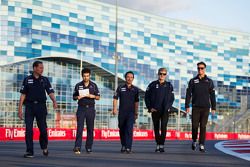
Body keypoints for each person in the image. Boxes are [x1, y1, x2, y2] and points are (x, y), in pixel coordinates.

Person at [18, 61, 57, 158]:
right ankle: (29, 151)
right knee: (29, 130)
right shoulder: (27, 80)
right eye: (40, 67)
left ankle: (44, 147)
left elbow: (50, 92)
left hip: (41, 107)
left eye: (42, 68)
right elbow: (23, 95)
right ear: (34, 68)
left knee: (43, 130)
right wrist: (19, 109)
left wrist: (54, 101)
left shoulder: (45, 80)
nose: (42, 69)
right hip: (29, 107)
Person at [185, 61, 216, 152]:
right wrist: (187, 105)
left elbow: (212, 95)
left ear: (205, 69)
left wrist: (213, 107)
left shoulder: (209, 81)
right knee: (194, 126)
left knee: (203, 126)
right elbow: (188, 94)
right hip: (195, 107)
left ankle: (202, 144)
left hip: (206, 107)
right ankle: (194, 140)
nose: (200, 70)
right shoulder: (193, 81)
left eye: (202, 68)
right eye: (198, 68)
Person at [145, 68, 174, 153]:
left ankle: (162, 145)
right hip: (155, 110)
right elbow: (147, 97)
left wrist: (168, 107)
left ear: (166, 75)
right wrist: (150, 108)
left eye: (164, 74)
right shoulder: (152, 85)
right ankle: (158, 144)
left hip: (165, 111)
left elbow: (172, 98)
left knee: (164, 127)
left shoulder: (169, 85)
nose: (162, 75)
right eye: (160, 73)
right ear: (158, 74)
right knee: (156, 128)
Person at [73, 68, 100, 154]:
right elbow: (74, 97)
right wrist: (77, 97)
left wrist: (92, 96)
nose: (86, 77)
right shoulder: (78, 85)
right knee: (79, 128)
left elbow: (98, 97)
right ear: (82, 76)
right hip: (81, 108)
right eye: (84, 76)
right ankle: (77, 146)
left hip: (91, 109)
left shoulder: (94, 85)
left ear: (89, 76)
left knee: (90, 129)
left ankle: (88, 147)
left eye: (87, 76)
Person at [112, 71, 139, 154]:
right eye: (128, 77)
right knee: (122, 129)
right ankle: (123, 145)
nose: (129, 78)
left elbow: (136, 102)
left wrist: (136, 113)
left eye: (131, 77)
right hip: (122, 112)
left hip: (131, 113)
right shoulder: (120, 88)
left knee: (129, 129)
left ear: (133, 79)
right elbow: (115, 98)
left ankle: (128, 147)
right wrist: (114, 109)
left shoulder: (135, 89)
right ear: (125, 78)